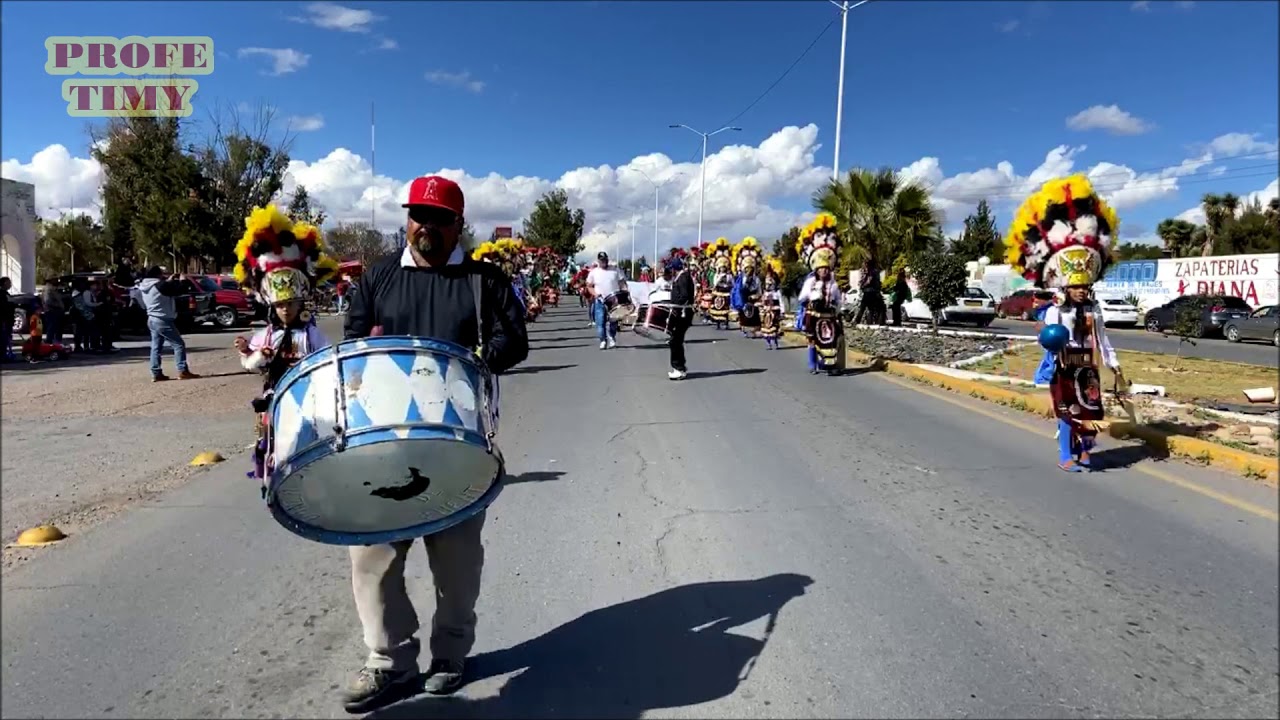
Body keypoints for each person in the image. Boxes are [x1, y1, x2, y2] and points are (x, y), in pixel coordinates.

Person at [340, 175, 528, 713]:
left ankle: (449, 655)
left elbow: (514, 338)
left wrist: (479, 358)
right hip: (384, 446)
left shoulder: (483, 280)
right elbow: (353, 339)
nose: (425, 225)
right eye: (417, 214)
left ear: (457, 225)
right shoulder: (377, 276)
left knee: (456, 562)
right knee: (372, 558)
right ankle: (389, 662)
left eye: (438, 218)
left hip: (456, 446)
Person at [1004, 174, 1121, 472]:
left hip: (1088, 365)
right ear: (1066, 287)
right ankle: (1065, 456)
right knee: (1068, 411)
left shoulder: (1094, 309)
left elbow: (1102, 338)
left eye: (1084, 285)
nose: (1081, 290)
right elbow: (1048, 335)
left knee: (1091, 409)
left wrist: (1113, 363)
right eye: (1076, 286)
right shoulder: (1057, 309)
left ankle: (1085, 451)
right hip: (1064, 366)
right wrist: (1048, 338)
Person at [231, 204, 337, 485]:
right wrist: (252, 354)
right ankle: (275, 484)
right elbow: (250, 364)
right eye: (280, 306)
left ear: (300, 302)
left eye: (290, 304)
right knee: (274, 443)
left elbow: (327, 358)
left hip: (309, 397)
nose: (285, 311)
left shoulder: (311, 334)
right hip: (274, 399)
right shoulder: (267, 334)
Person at [138, 267, 200, 381]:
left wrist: (170, 280)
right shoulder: (160, 285)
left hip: (151, 318)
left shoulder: (145, 286)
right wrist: (183, 280)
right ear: (157, 275)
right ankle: (183, 370)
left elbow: (164, 289)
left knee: (156, 347)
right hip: (163, 319)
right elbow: (179, 290)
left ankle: (156, 372)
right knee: (178, 344)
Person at [587, 251, 626, 350]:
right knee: (600, 322)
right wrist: (595, 294)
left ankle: (611, 337)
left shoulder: (615, 270)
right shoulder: (594, 272)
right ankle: (603, 340)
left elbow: (622, 283)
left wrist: (624, 293)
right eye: (602, 260)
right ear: (598, 261)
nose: (604, 262)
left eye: (605, 260)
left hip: (614, 300)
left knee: (614, 321)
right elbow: (589, 286)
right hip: (600, 300)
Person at [666, 255, 695, 380]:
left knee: (675, 341)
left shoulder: (683, 278)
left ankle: (679, 368)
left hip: (682, 313)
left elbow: (684, 296)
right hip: (681, 312)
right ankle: (679, 367)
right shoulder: (682, 277)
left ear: (674, 268)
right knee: (676, 340)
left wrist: (675, 307)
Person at [731, 238, 763, 338]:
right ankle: (745, 329)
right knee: (744, 315)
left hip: (753, 299)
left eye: (751, 269)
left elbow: (759, 290)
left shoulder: (756, 279)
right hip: (745, 299)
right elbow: (739, 290)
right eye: (747, 269)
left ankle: (754, 330)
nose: (749, 271)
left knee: (754, 315)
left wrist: (756, 296)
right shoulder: (741, 279)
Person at [759, 259, 784, 350]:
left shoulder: (776, 293)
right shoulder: (765, 293)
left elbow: (781, 302)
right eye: (767, 283)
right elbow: (762, 302)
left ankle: (776, 342)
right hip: (766, 313)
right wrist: (762, 308)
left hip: (775, 312)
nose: (768, 285)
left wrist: (782, 312)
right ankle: (769, 343)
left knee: (775, 327)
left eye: (770, 283)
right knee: (766, 328)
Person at [41, 281, 65, 346]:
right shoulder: (48, 290)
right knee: (52, 327)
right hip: (52, 311)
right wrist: (58, 305)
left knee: (56, 327)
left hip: (55, 311)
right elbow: (47, 301)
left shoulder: (52, 290)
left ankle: (56, 341)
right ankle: (49, 341)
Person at [1, 276, 14, 361]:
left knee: (7, 337)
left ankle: (4, 353)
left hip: (7, 319)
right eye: (9, 282)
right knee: (4, 338)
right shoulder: (2, 294)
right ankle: (3, 355)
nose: (10, 284)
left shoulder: (6, 293)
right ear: (5, 283)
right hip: (4, 320)